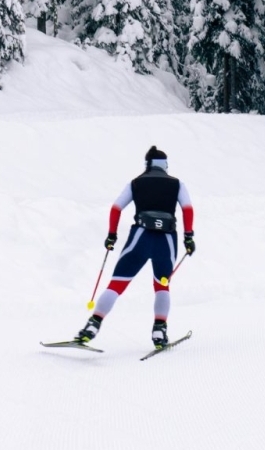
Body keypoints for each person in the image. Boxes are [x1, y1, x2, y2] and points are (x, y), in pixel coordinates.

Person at [76, 146, 194, 348]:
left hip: (140, 237)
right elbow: (187, 209)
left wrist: (111, 235)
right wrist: (188, 237)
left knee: (117, 284)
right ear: (165, 165)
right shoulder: (177, 184)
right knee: (162, 286)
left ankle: (92, 326)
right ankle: (159, 330)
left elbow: (116, 208)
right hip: (166, 241)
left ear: (147, 164)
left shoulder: (136, 183)